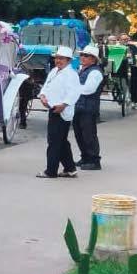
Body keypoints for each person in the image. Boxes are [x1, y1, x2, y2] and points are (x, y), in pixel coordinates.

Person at [36, 46, 81, 179]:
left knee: (54, 141)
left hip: (62, 111)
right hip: (53, 108)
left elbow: (74, 93)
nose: (58, 61)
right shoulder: (54, 71)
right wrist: (43, 96)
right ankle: (70, 168)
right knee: (61, 141)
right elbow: (46, 86)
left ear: (68, 60)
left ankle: (51, 170)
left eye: (61, 59)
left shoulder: (71, 74)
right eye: (57, 58)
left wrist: (64, 104)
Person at [74, 44, 103, 170]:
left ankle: (94, 160)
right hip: (80, 106)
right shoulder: (84, 69)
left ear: (93, 59)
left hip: (88, 107)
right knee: (79, 134)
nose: (82, 57)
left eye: (86, 55)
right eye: (82, 55)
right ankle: (85, 157)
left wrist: (73, 89)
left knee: (89, 135)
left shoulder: (95, 72)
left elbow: (89, 89)